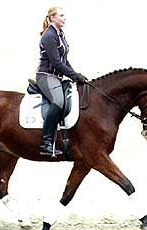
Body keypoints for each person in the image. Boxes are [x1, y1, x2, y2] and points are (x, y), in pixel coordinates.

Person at [36, 6, 87, 156]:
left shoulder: (60, 34)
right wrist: (74, 76)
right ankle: (46, 143)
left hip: (56, 76)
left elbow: (64, 60)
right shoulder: (49, 36)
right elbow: (57, 63)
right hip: (46, 76)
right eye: (61, 15)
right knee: (58, 102)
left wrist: (76, 75)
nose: (64, 18)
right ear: (52, 18)